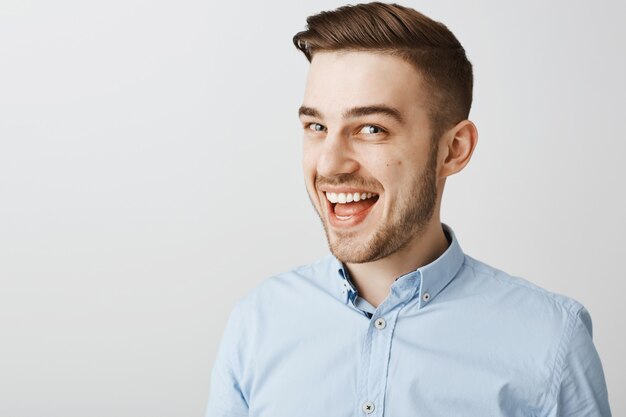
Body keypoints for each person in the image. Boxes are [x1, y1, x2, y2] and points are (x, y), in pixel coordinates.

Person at [206, 3, 611, 416]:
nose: (329, 165)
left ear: (454, 149)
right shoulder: (257, 323)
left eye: (371, 129)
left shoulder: (550, 340)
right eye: (317, 127)